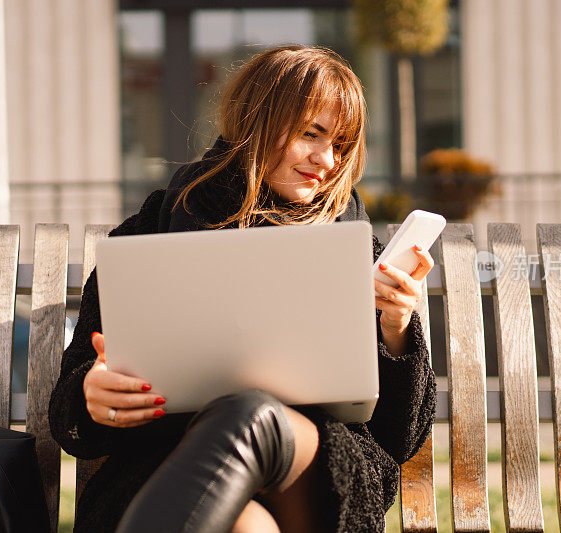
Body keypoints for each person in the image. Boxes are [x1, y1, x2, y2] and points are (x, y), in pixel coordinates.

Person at [48, 45, 436, 533]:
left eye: (341, 144)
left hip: (319, 474)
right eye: (310, 135)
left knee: (251, 414)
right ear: (257, 121)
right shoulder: (155, 228)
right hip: (170, 467)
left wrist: (396, 326)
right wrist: (92, 393)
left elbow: (400, 437)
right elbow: (72, 415)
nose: (326, 160)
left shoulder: (357, 248)